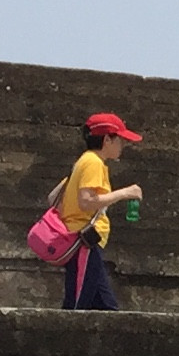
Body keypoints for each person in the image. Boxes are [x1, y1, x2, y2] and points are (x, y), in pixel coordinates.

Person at [52, 112, 143, 311]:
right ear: (107, 139)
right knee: (76, 306)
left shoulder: (84, 161)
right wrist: (125, 193)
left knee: (106, 308)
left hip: (87, 243)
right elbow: (86, 202)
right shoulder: (93, 162)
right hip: (83, 242)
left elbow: (53, 198)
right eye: (120, 140)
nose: (122, 145)